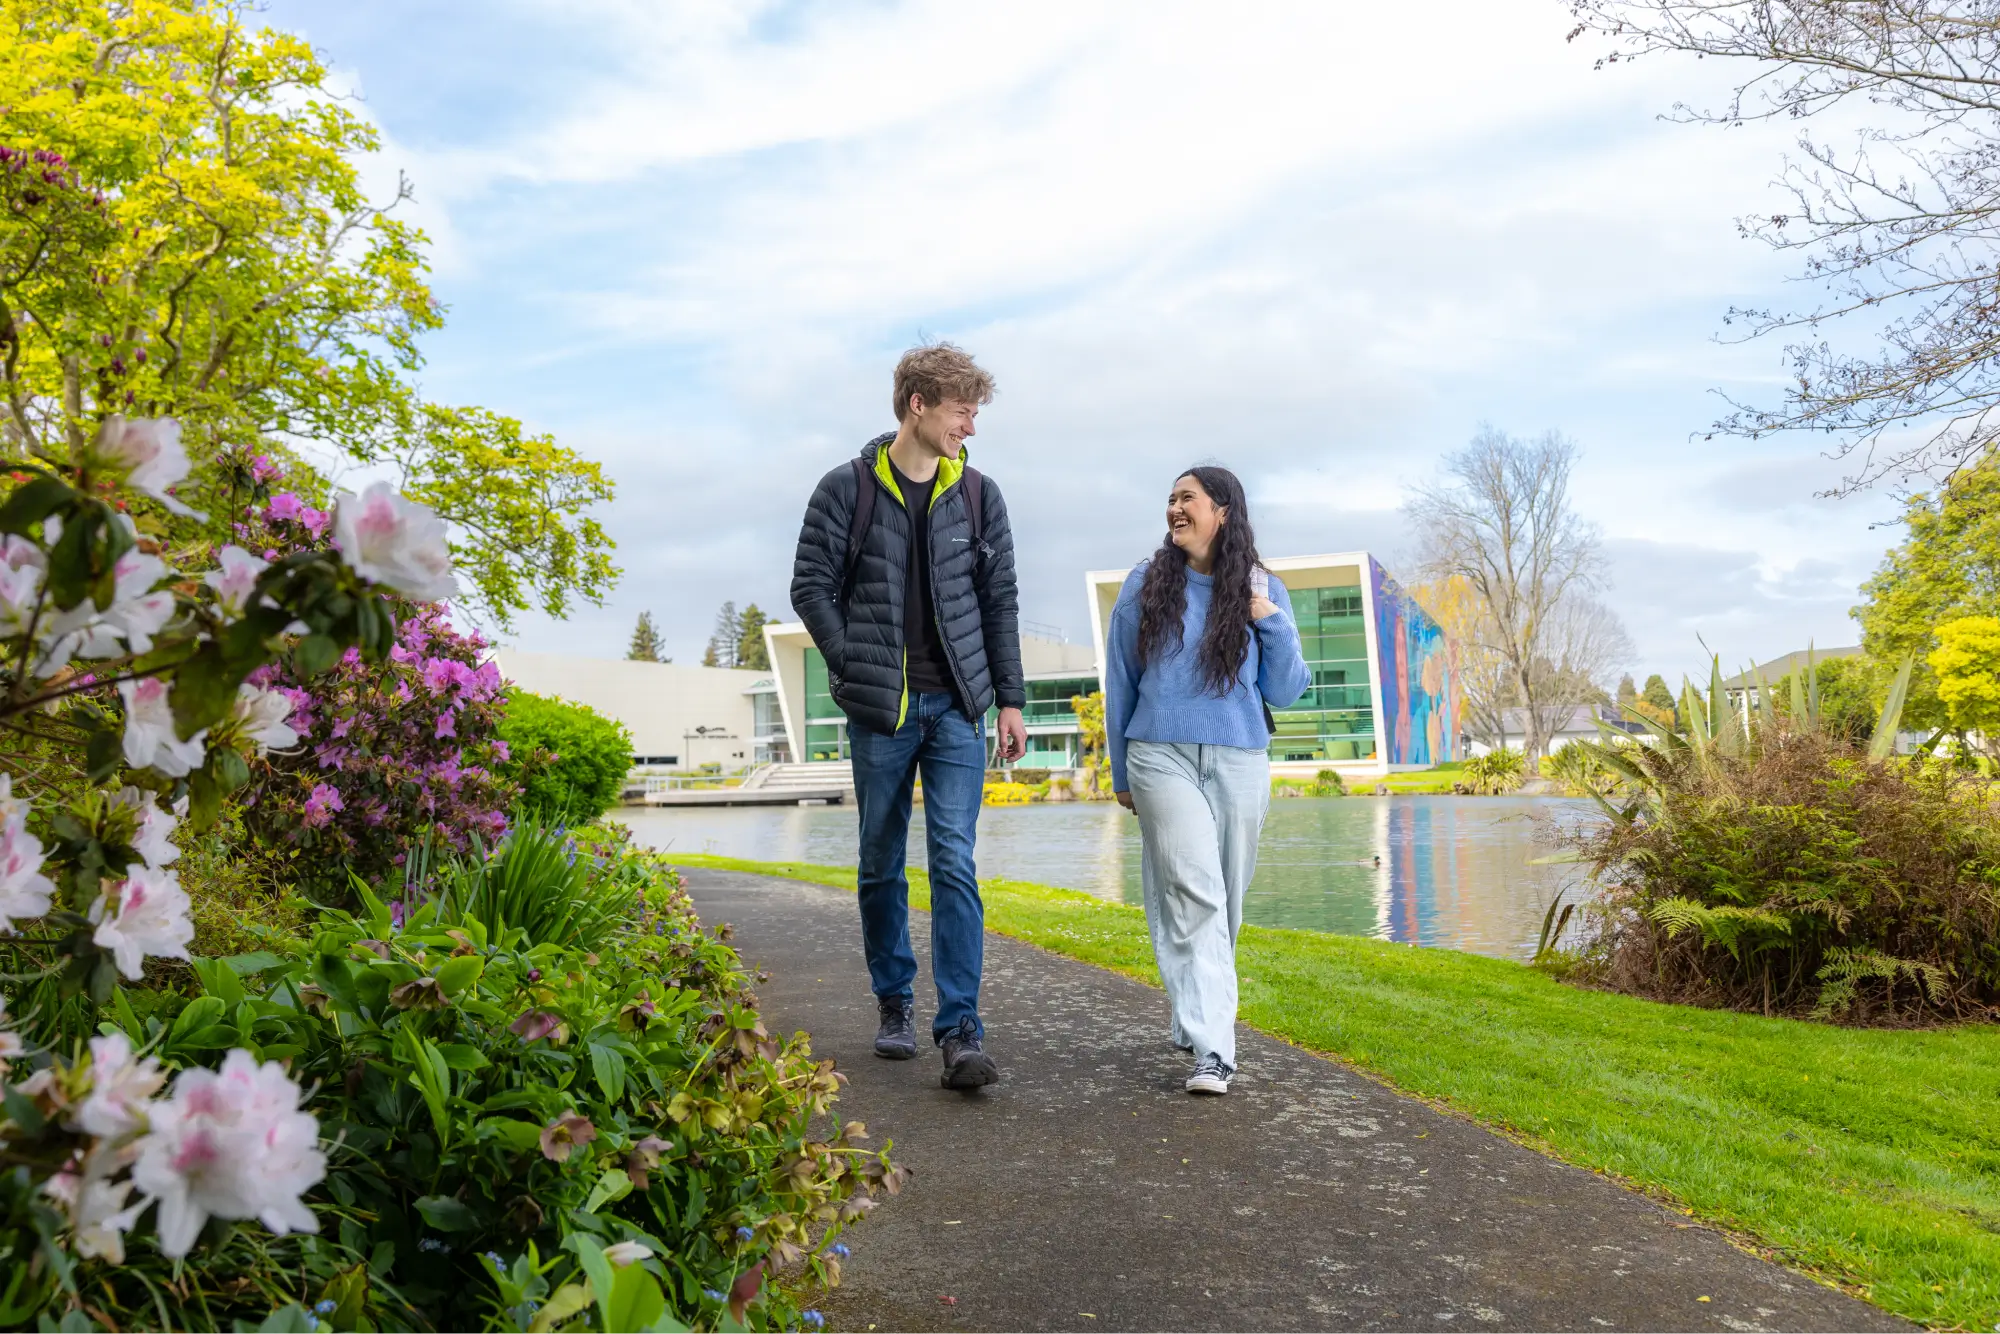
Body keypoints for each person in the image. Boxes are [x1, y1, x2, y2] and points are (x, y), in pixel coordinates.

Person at [790, 342, 1028, 1090]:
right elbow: (810, 586)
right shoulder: (846, 488)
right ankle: (893, 1002)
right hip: (882, 714)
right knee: (879, 862)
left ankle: (960, 1028)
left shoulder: (981, 497)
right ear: (918, 404)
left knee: (954, 861)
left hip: (958, 709)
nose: (972, 427)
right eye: (963, 410)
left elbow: (1000, 603)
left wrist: (1011, 699)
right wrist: (849, 658)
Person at [1104, 467, 1310, 1095]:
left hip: (1240, 757)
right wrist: (1120, 772)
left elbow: (1286, 690)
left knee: (1226, 907)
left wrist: (1268, 619)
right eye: (1169, 499)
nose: (1174, 508)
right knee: (1196, 896)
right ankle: (1214, 1053)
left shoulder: (1261, 587)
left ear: (1222, 510)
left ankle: (1193, 1016)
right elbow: (1121, 681)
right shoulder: (1145, 584)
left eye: (1186, 498)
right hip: (1159, 755)